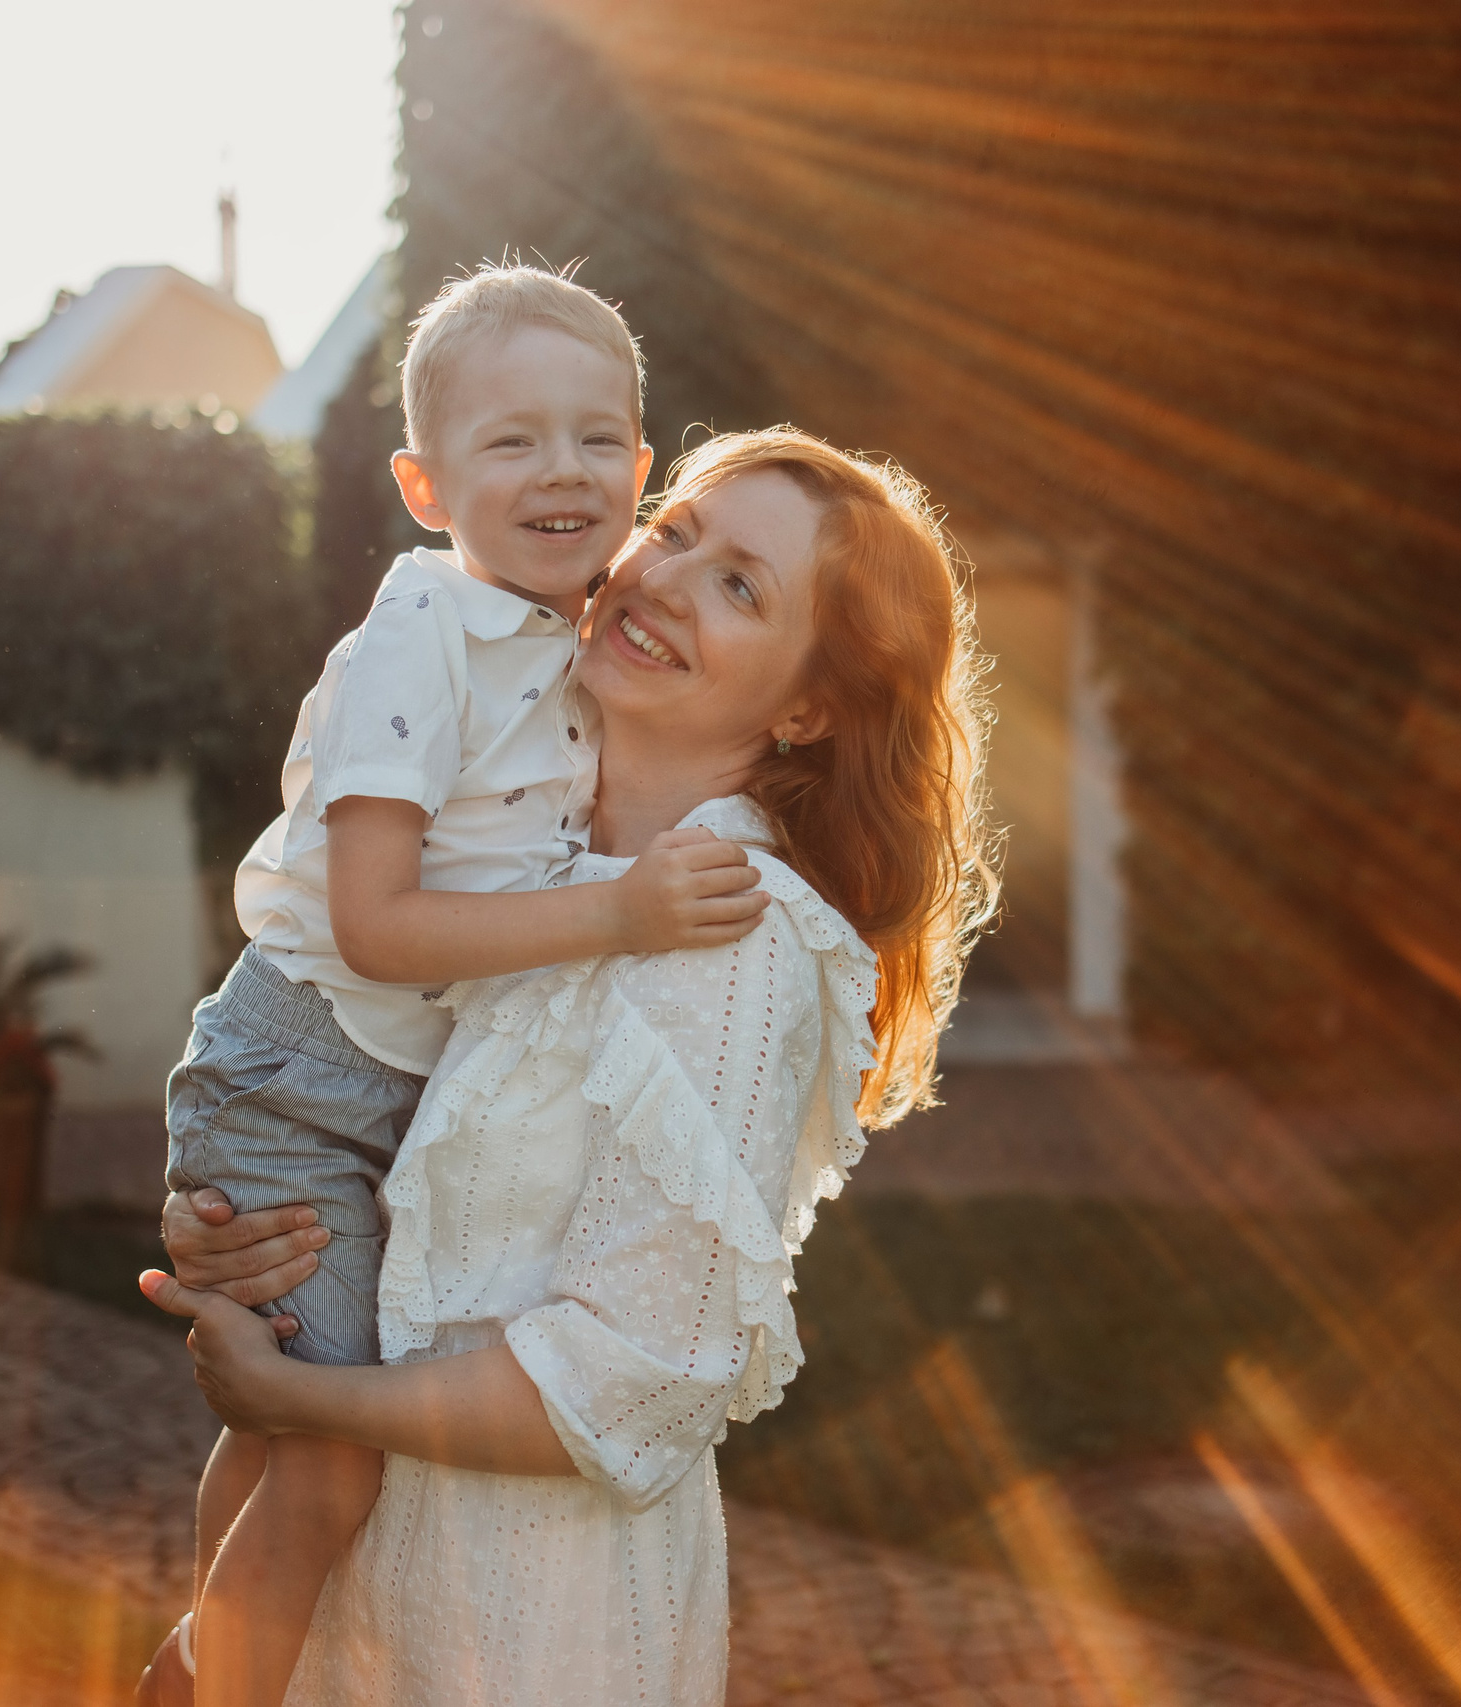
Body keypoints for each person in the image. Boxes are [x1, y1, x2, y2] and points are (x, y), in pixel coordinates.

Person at [144, 426, 998, 1705]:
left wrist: (307, 1402)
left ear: (809, 706)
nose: (663, 575)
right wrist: (240, 1213)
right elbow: (380, 1123)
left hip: (525, 1627)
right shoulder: (522, 848)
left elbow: (633, 1388)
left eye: (740, 586)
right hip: (357, 1602)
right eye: (679, 530)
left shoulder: (732, 934)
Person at [143, 265, 772, 1707]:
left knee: (275, 1439)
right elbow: (371, 921)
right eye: (512, 441)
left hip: (385, 1080)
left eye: (598, 436)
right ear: (425, 488)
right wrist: (617, 911)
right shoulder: (423, 632)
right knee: (333, 1450)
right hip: (306, 1069)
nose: (564, 468)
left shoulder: (580, 627)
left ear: (643, 462)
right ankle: (200, 1681)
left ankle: (215, 1640)